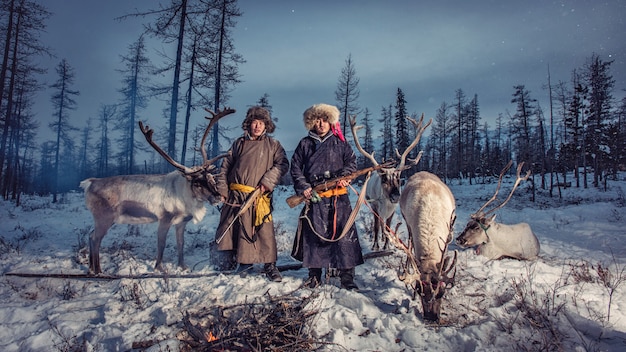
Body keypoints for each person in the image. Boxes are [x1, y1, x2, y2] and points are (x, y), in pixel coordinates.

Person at [290, 103, 364, 290]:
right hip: (316, 198)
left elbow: (351, 162)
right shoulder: (305, 144)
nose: (321, 124)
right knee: (315, 236)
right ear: (311, 123)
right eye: (317, 120)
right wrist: (304, 187)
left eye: (324, 120)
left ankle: (347, 277)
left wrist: (345, 177)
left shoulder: (340, 142)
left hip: (339, 198)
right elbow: (296, 168)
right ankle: (314, 275)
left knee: (344, 237)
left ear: (330, 121)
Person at [214, 106, 289, 282]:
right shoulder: (238, 144)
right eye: (254, 122)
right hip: (236, 195)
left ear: (266, 126)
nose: (257, 126)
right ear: (248, 124)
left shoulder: (273, 145)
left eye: (261, 123)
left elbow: (282, 165)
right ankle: (242, 263)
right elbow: (225, 167)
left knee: (264, 231)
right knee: (235, 229)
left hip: (258, 196)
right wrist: (223, 190)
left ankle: (270, 265)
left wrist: (267, 182)